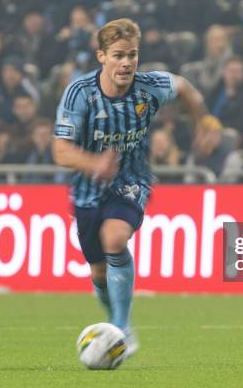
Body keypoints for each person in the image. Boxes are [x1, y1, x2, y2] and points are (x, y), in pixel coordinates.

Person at [51, 18, 209, 356]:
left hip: (132, 179)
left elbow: (183, 87)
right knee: (97, 270)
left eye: (132, 55)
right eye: (119, 55)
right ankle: (114, 322)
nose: (126, 63)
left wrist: (204, 119)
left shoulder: (149, 86)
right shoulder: (80, 94)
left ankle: (121, 329)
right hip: (87, 188)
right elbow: (60, 150)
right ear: (102, 56)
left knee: (115, 238)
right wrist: (94, 164)